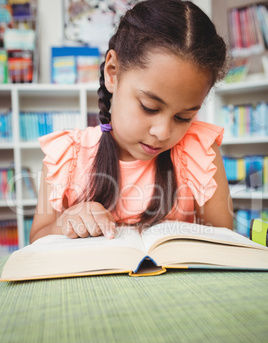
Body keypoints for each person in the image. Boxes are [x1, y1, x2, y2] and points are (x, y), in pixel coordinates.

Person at [30, 0, 233, 244]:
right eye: (149, 107)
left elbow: (225, 242)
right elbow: (37, 239)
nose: (162, 132)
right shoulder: (67, 156)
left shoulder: (200, 152)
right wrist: (65, 223)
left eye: (183, 117)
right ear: (113, 72)